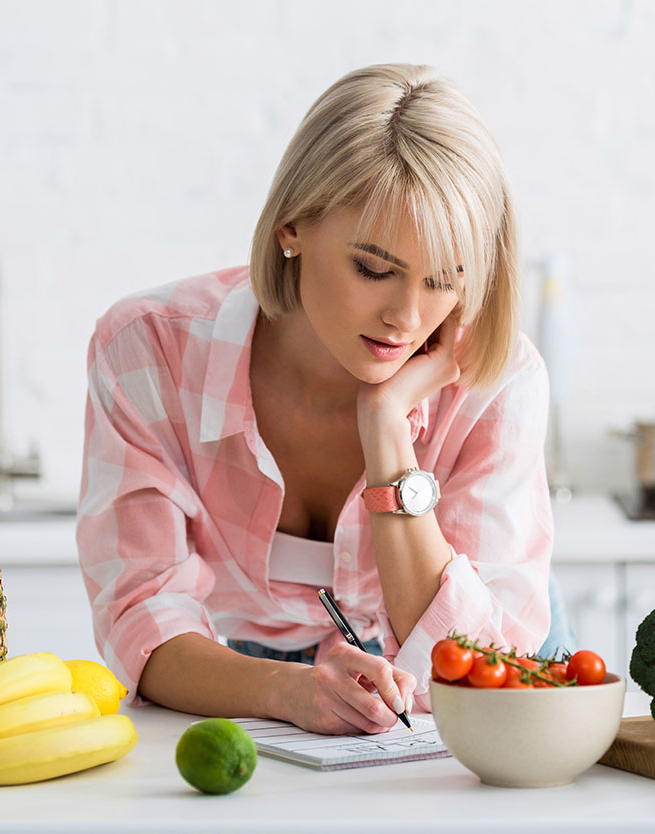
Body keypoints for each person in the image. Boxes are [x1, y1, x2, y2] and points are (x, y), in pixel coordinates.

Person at [76, 63, 575, 736]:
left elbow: (475, 665)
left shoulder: (498, 379)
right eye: (374, 269)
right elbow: (140, 617)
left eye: (443, 282)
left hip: (496, 688)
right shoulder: (149, 351)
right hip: (251, 682)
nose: (406, 316)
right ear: (292, 226)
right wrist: (291, 691)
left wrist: (387, 433)